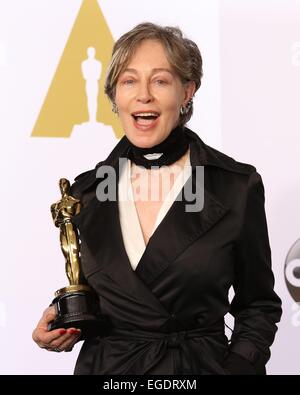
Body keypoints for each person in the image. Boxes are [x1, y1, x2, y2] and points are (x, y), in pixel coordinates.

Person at [32, 22, 282, 375]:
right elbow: (103, 295)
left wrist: (239, 366)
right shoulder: (84, 193)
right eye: (129, 81)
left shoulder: (234, 187)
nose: (143, 95)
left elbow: (258, 305)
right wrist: (62, 321)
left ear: (187, 92)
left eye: (161, 80)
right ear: (115, 98)